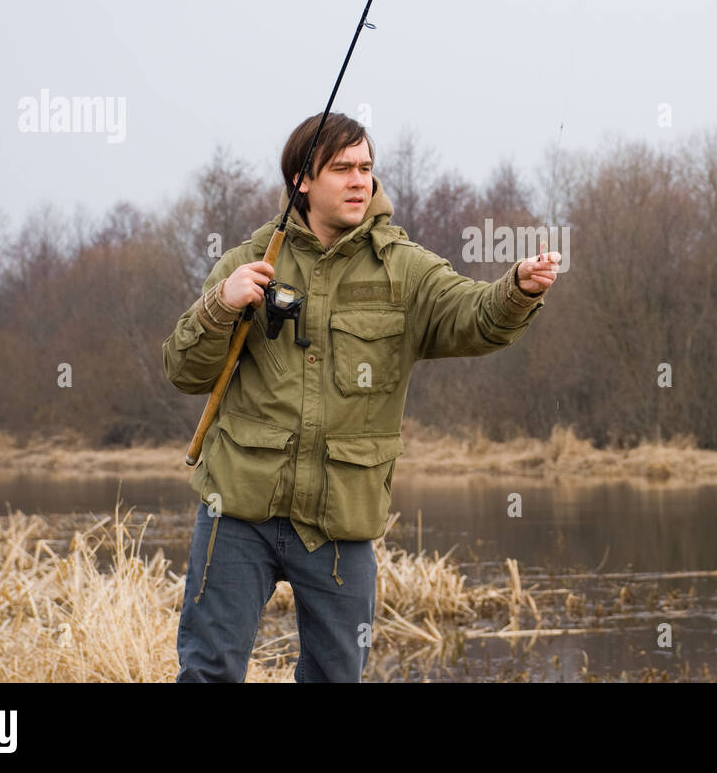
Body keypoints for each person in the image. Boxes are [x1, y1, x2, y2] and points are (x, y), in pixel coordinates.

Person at [161, 112, 559, 682]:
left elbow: (474, 316)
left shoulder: (405, 270)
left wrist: (516, 289)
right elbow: (183, 369)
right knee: (210, 672)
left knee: (335, 675)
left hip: (341, 519)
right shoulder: (250, 260)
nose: (359, 181)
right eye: (342, 168)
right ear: (302, 180)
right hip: (237, 507)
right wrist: (219, 305)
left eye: (366, 168)